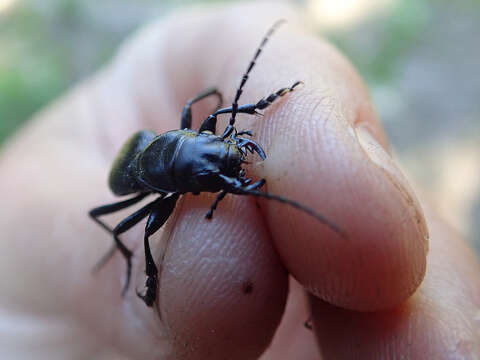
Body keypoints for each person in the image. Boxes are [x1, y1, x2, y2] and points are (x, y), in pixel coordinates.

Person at [0, 3, 478, 359]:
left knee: (222, 116)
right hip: (134, 167)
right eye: (209, 176)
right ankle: (135, 267)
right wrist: (136, 265)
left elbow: (212, 102)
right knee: (140, 232)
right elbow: (200, 120)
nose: (224, 170)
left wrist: (244, 111)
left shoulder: (189, 132)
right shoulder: (158, 182)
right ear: (176, 186)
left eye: (213, 154)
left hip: (163, 146)